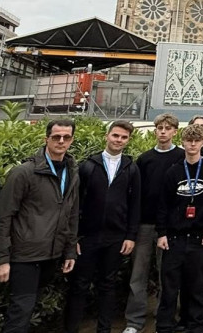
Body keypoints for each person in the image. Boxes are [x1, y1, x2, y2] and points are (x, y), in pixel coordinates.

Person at [0, 119, 81, 333]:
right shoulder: (24, 172)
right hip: (25, 255)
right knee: (20, 311)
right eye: (56, 137)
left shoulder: (72, 172)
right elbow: (2, 216)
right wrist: (1, 259)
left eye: (66, 137)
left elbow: (72, 214)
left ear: (72, 140)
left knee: (29, 309)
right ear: (46, 139)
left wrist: (69, 251)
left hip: (51, 255)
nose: (61, 141)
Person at [65, 121, 141, 333]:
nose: (119, 140)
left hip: (115, 237)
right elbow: (76, 204)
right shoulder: (88, 165)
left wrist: (131, 236)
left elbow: (135, 205)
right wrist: (76, 237)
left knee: (107, 285)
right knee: (79, 285)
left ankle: (104, 329)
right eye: (115, 135)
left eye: (124, 137)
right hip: (88, 237)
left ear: (128, 140)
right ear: (107, 136)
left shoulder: (131, 168)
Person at [156, 123, 203, 333]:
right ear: (182, 142)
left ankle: (196, 324)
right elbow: (163, 204)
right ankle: (165, 324)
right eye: (189, 141)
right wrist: (162, 233)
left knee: (197, 284)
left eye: (197, 141)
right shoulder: (173, 171)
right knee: (169, 285)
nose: (192, 145)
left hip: (199, 236)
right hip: (174, 237)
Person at [125, 114, 184, 333]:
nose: (163, 131)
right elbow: (136, 193)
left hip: (169, 228)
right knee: (137, 274)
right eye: (159, 128)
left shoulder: (181, 156)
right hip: (144, 225)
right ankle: (134, 321)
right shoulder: (144, 158)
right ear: (155, 131)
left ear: (175, 132)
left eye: (167, 128)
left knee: (166, 274)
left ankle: (165, 316)